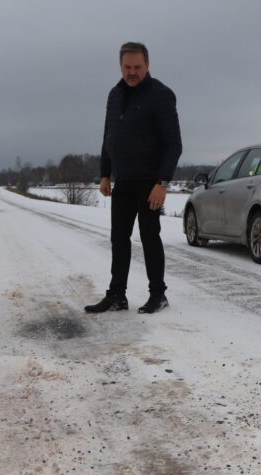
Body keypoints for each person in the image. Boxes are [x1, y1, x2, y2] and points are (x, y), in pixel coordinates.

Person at [85, 41, 182, 315]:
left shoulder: (161, 95)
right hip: (124, 181)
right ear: (120, 66)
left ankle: (158, 295)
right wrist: (105, 173)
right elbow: (108, 137)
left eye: (137, 67)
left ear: (147, 65)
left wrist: (162, 182)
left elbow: (174, 143)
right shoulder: (115, 95)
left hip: (150, 182)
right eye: (127, 67)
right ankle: (117, 295)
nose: (132, 72)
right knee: (119, 238)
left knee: (150, 236)